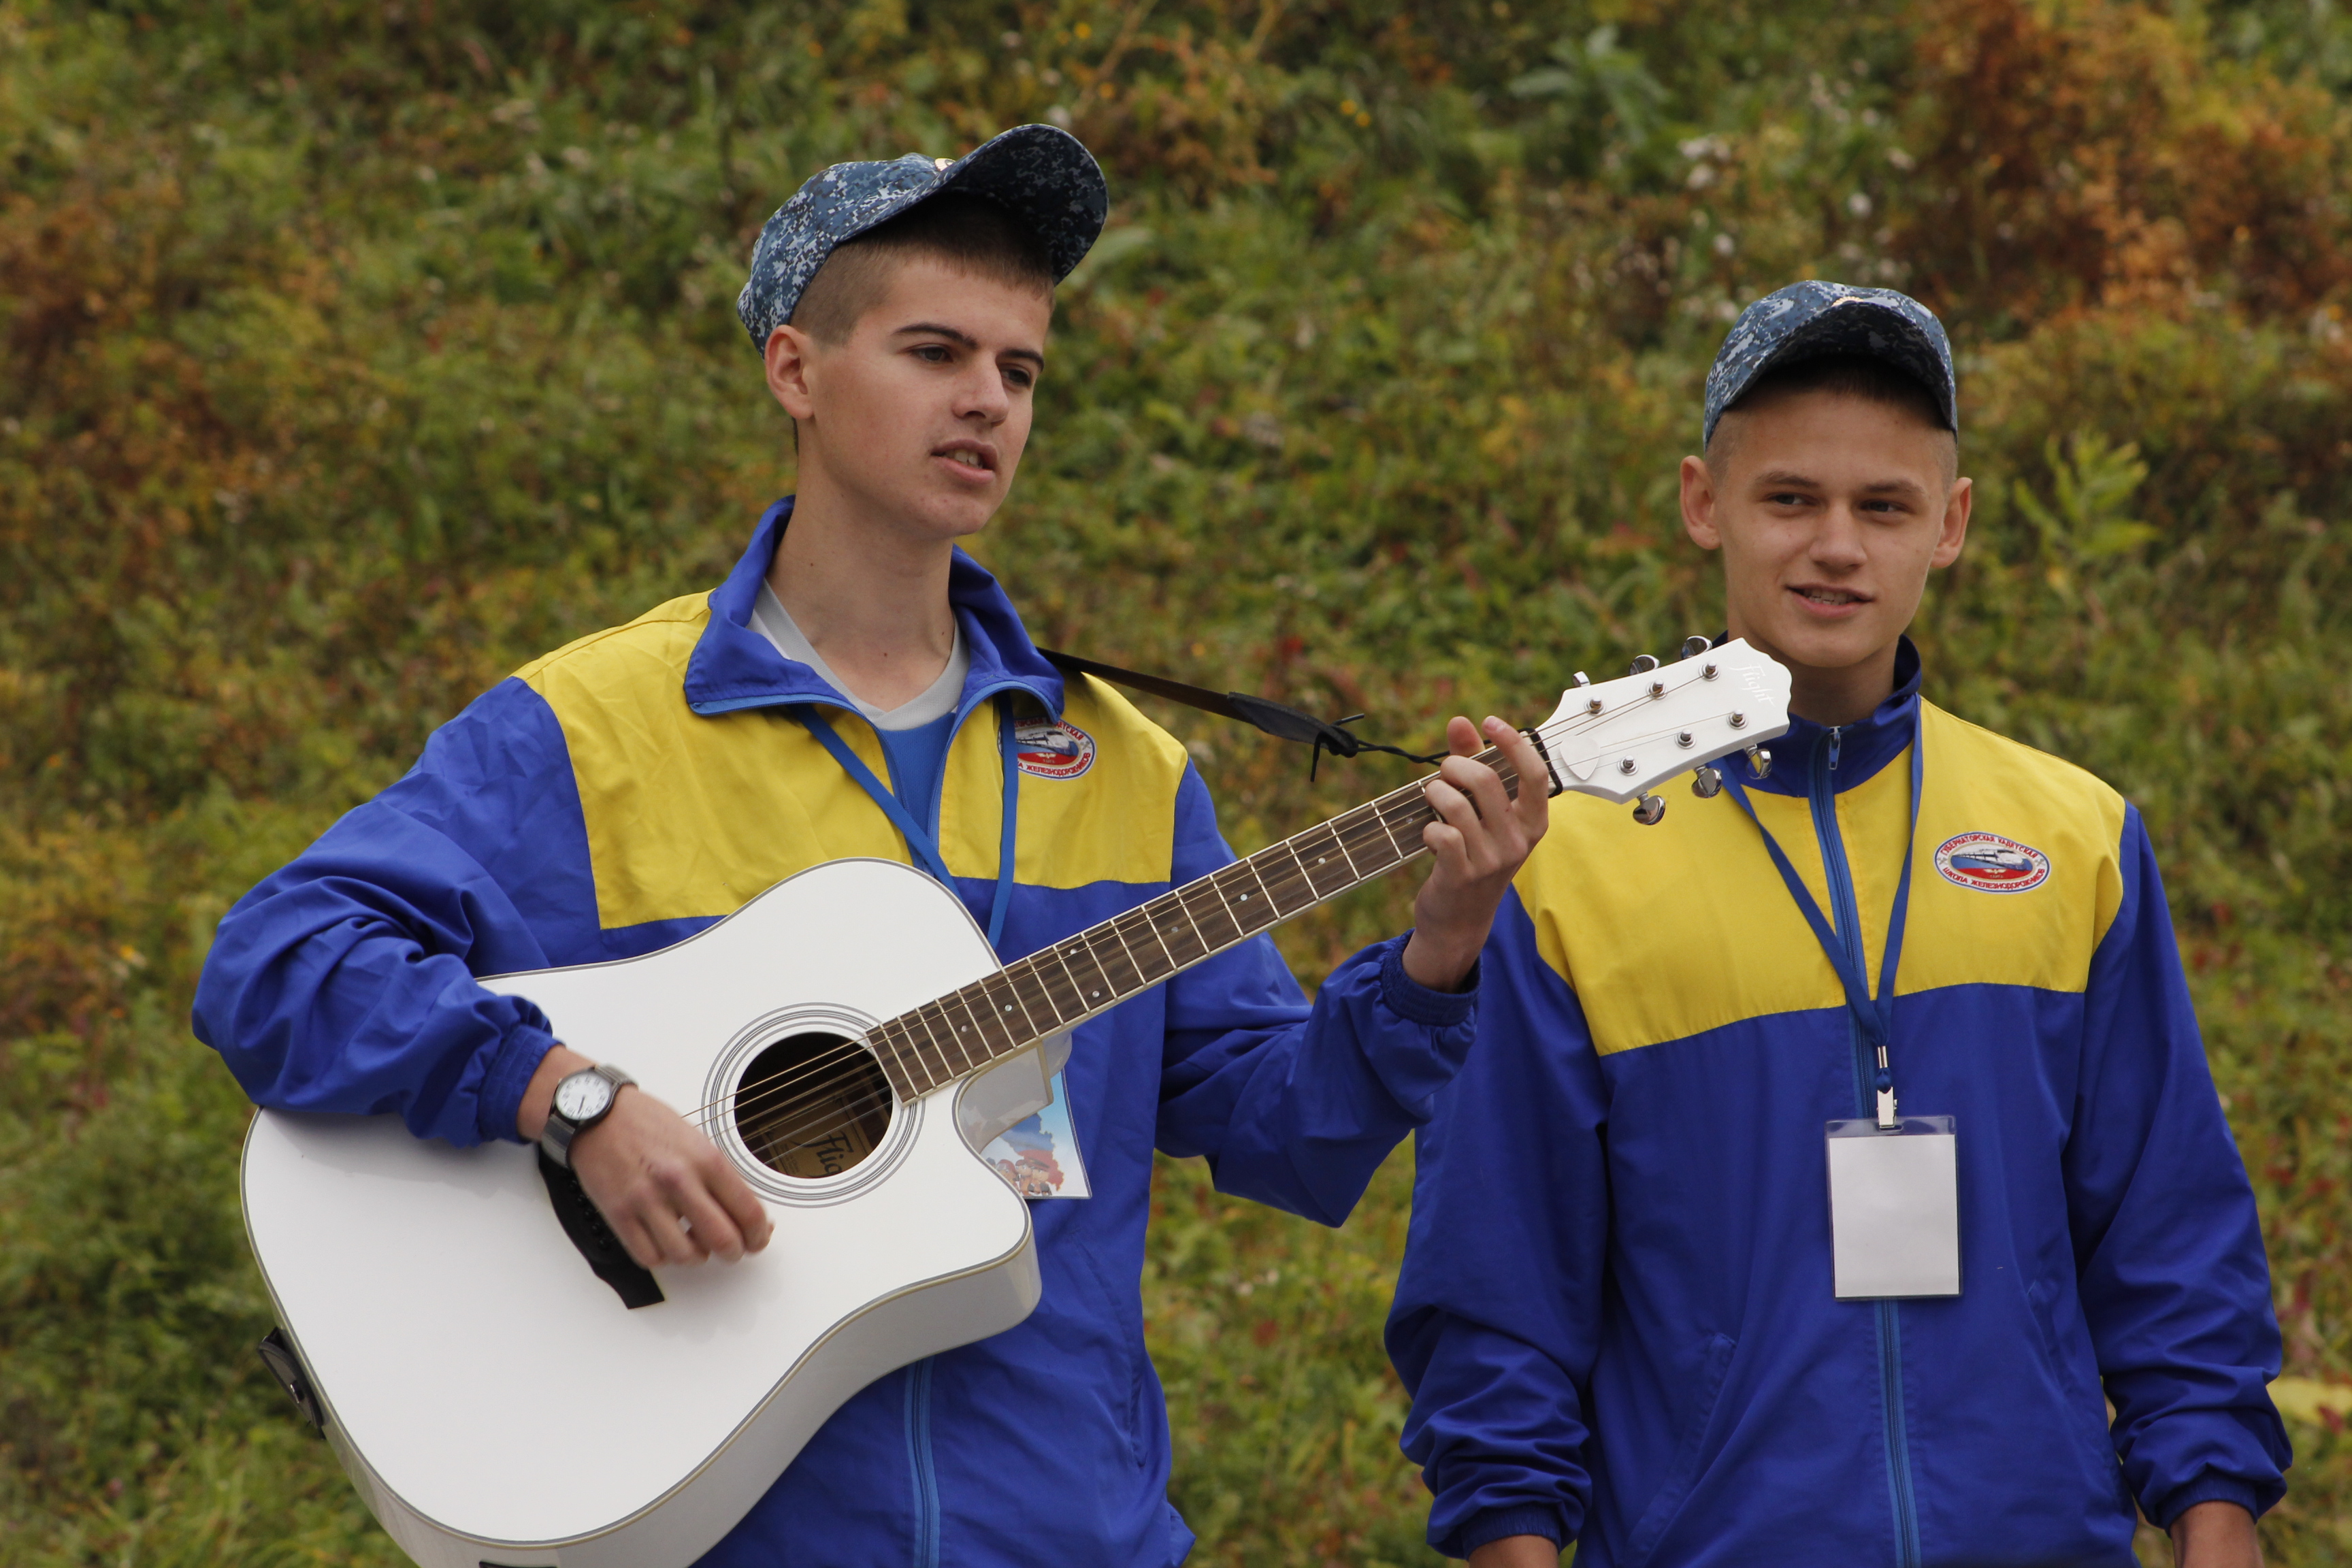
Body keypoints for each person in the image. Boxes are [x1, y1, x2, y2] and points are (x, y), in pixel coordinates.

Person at [194, 125, 1552, 1565]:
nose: (987, 403)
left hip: (1062, 1531)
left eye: (1019, 371)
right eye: (934, 353)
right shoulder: (594, 727)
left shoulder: (1129, 769)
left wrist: (1442, 950)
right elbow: (278, 962)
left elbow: (1283, 1131)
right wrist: (565, 1097)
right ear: (797, 370)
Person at [1385, 282, 2290, 1567]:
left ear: (1953, 524)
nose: (1837, 547)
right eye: (1790, 499)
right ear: (1706, 503)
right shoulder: (1563, 867)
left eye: (1885, 507)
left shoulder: (2076, 838)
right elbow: (1498, 1295)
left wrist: (2217, 1515)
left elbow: (2168, 1227)